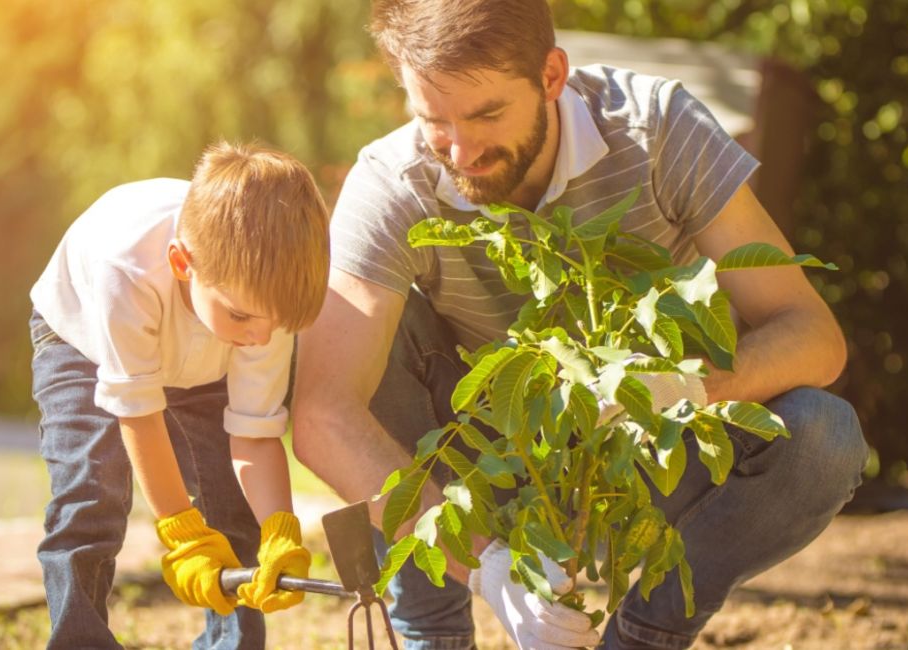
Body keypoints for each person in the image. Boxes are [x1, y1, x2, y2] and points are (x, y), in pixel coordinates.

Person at [291, 1, 869, 649]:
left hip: (642, 455)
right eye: (433, 121)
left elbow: (813, 334)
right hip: (492, 471)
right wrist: (488, 565)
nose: (461, 150)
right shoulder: (393, 183)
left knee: (827, 435)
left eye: (486, 114)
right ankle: (434, 637)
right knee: (366, 326)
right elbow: (323, 413)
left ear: (551, 75)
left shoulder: (657, 130)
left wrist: (680, 390)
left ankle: (643, 639)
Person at [29, 142, 330, 649]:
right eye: (243, 316)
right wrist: (181, 531)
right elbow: (139, 412)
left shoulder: (260, 306)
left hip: (206, 353)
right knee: (90, 492)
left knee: (230, 503)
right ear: (181, 263)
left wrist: (279, 527)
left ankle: (230, 644)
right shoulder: (125, 269)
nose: (261, 338)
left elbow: (253, 434)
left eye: (274, 325)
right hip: (84, 340)